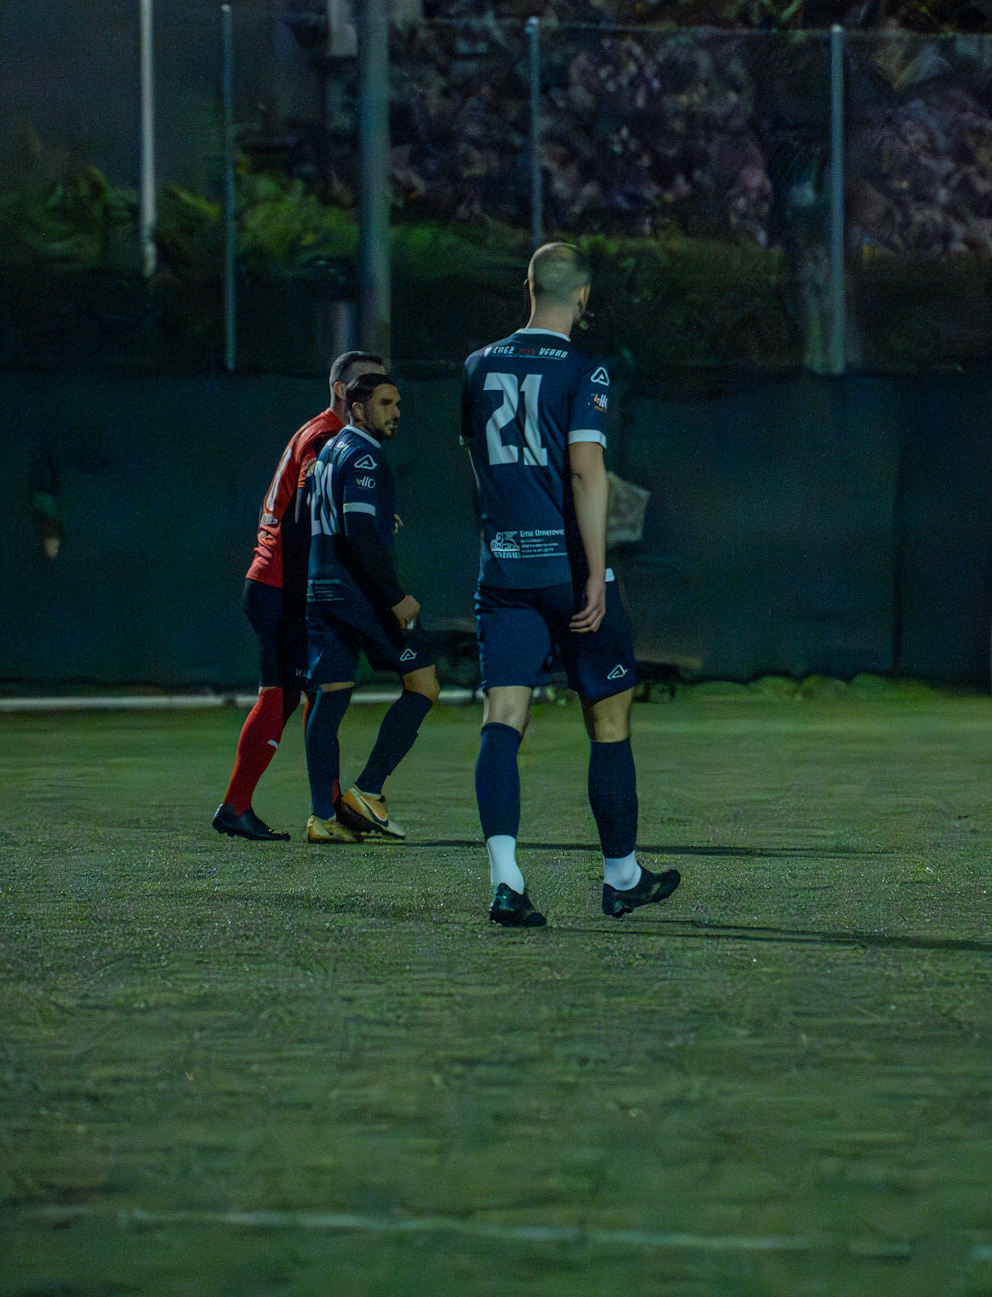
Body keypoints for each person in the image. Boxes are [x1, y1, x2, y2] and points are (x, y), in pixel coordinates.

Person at [460, 241, 680, 926]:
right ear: (582, 297)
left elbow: (479, 465)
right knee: (608, 718)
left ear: (527, 285)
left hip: (503, 569)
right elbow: (587, 473)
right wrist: (592, 574)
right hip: (567, 570)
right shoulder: (585, 369)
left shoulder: (476, 366)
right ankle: (619, 876)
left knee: (502, 719)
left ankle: (507, 878)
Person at [212, 347, 384, 842]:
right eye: (366, 385)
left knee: (310, 693)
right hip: (280, 586)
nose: (379, 394)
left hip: (277, 583)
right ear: (341, 392)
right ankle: (237, 807)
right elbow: (305, 512)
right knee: (285, 694)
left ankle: (325, 808)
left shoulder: (323, 431)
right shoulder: (329, 436)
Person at [301, 371, 440, 842]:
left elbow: (318, 519)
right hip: (357, 593)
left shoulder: (327, 454)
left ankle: (323, 816)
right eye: (384, 403)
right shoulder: (362, 454)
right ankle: (369, 790)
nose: (396, 411)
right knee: (423, 685)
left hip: (320, 588)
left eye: (398, 403)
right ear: (357, 408)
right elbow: (359, 534)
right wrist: (395, 596)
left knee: (332, 695)